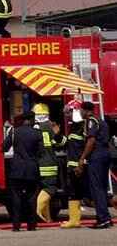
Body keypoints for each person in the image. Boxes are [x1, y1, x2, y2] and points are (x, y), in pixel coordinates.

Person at [2, 112, 43, 232]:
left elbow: (4, 147)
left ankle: (16, 225)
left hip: (17, 169)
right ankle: (31, 225)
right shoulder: (37, 133)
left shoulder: (14, 132)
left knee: (16, 198)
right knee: (31, 197)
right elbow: (41, 152)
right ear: (32, 120)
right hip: (32, 169)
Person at [77, 101, 113, 229]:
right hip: (105, 155)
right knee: (102, 188)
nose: (79, 113)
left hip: (97, 156)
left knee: (96, 189)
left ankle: (102, 219)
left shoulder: (91, 121)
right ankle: (106, 218)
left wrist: (82, 158)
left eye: (80, 110)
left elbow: (91, 140)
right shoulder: (100, 120)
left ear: (86, 111)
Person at [32, 103, 65, 223]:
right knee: (50, 188)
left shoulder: (34, 128)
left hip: (38, 165)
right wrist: (58, 133)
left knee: (42, 188)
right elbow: (61, 143)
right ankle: (38, 210)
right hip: (49, 163)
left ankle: (48, 218)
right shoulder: (50, 127)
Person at [60, 98, 85, 229]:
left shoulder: (82, 127)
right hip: (73, 165)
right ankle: (74, 220)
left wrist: (80, 164)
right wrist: (58, 135)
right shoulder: (74, 127)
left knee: (87, 192)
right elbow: (68, 143)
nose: (67, 114)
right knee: (73, 192)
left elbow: (84, 147)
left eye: (70, 112)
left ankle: (75, 220)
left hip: (78, 166)